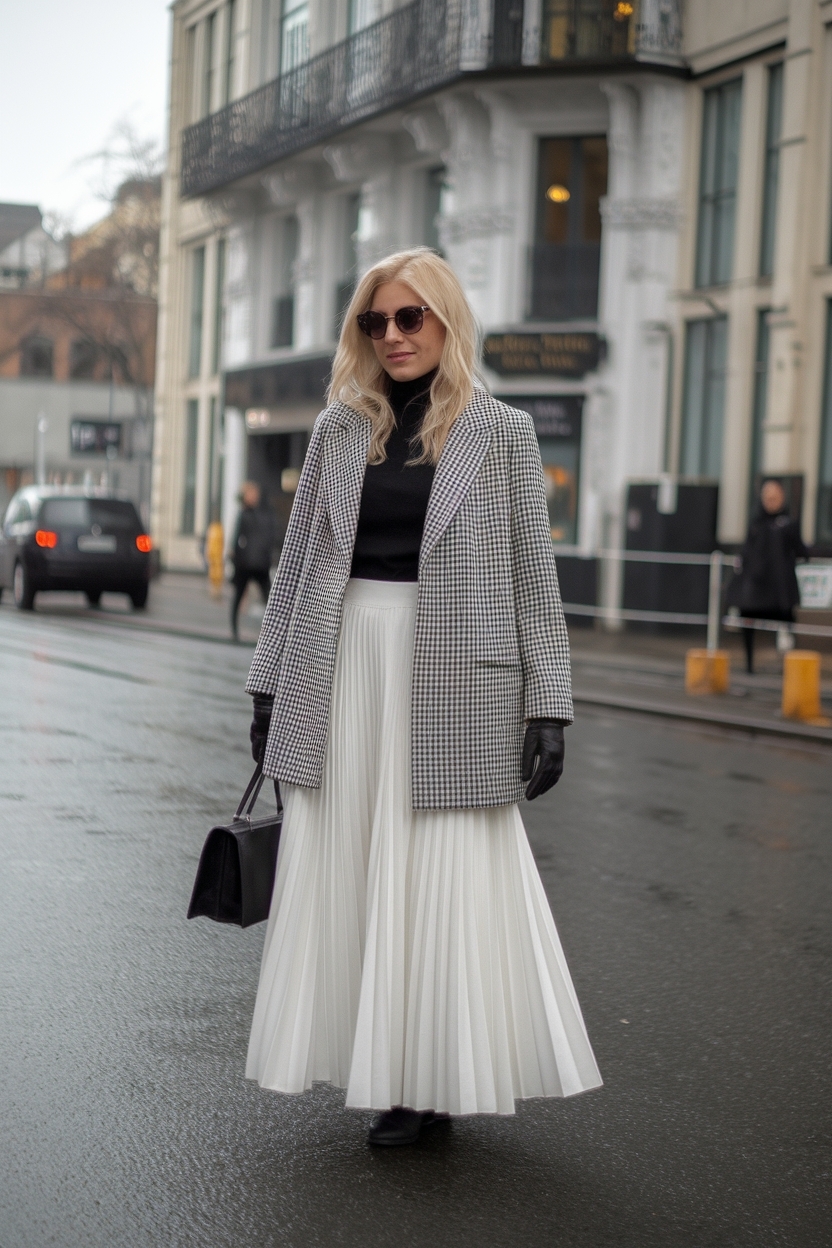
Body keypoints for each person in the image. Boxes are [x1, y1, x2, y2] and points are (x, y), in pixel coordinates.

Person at [244, 248, 602, 1147]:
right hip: (342, 664)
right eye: (375, 321)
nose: (393, 336)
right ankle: (367, 1056)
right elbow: (296, 570)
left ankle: (429, 1079)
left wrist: (548, 704)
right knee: (353, 862)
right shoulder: (335, 430)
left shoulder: (503, 432)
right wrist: (267, 683)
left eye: (411, 318)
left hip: (456, 674)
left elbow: (533, 574)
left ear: (446, 321)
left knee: (438, 871)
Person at [735, 479, 809, 673]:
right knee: (748, 621)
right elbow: (746, 553)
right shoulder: (756, 524)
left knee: (787, 623)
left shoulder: (788, 525)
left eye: (775, 497)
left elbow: (800, 549)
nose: (771, 501)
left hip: (780, 588)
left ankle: (787, 666)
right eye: (768, 497)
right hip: (756, 587)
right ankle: (749, 665)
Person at [230, 482, 276, 639]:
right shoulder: (245, 514)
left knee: (269, 598)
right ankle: (235, 630)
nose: (254, 497)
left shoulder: (259, 513)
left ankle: (272, 632)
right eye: (251, 494)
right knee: (240, 596)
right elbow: (237, 539)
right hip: (247, 563)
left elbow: (267, 536)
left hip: (258, 564)